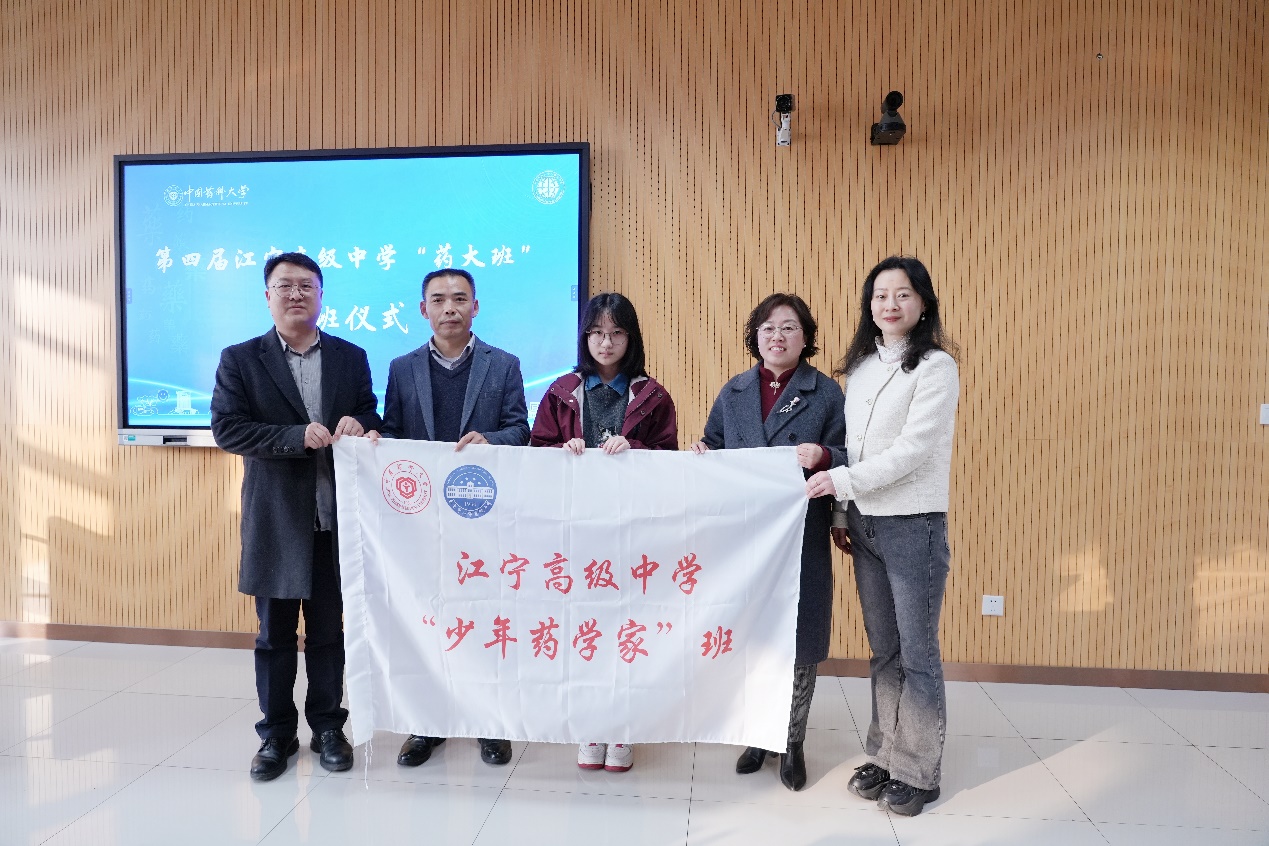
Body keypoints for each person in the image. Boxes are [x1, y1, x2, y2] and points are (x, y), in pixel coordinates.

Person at [210, 251, 382, 781]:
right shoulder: (241, 359)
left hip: (336, 521)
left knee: (331, 634)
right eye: (284, 286)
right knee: (275, 637)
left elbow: (370, 410)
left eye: (306, 285)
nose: (295, 294)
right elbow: (228, 429)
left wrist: (362, 423)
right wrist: (293, 436)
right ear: (268, 296)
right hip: (277, 521)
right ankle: (277, 735)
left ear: (321, 294)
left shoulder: (351, 356)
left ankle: (329, 727)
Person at [805, 255, 959, 817]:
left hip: (912, 524)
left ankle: (920, 770)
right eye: (879, 296)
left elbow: (912, 452)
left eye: (902, 294)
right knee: (884, 650)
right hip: (864, 522)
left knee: (917, 654)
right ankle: (888, 753)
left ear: (923, 303)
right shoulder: (863, 367)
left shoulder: (936, 367)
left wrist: (840, 483)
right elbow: (855, 448)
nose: (889, 305)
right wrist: (842, 513)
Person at [372, 267, 530, 768]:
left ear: (475, 307)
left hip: (483, 514)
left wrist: (492, 440)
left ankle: (489, 724)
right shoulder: (401, 368)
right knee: (428, 619)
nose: (449, 308)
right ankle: (428, 724)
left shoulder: (504, 365)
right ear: (424, 310)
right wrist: (376, 442)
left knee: (484, 618)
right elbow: (392, 432)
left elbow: (520, 430)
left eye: (460, 298)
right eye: (438, 299)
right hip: (421, 522)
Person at [690, 293, 846, 791]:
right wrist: (702, 450)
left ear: (806, 337)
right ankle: (758, 735)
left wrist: (823, 455)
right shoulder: (734, 391)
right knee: (751, 634)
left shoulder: (825, 393)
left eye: (789, 327)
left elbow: (849, 455)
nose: (777, 336)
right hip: (745, 541)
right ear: (755, 337)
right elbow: (715, 444)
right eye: (767, 328)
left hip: (801, 537)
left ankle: (792, 740)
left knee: (800, 637)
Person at [529, 292, 678, 772]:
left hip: (631, 529)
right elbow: (537, 451)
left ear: (630, 338)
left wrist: (635, 448)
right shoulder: (561, 391)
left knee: (626, 626)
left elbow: (668, 459)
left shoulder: (653, 395)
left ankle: (623, 728)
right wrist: (561, 450)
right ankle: (591, 726)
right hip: (576, 529)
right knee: (584, 627)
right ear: (584, 337)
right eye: (596, 333)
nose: (606, 342)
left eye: (615, 333)